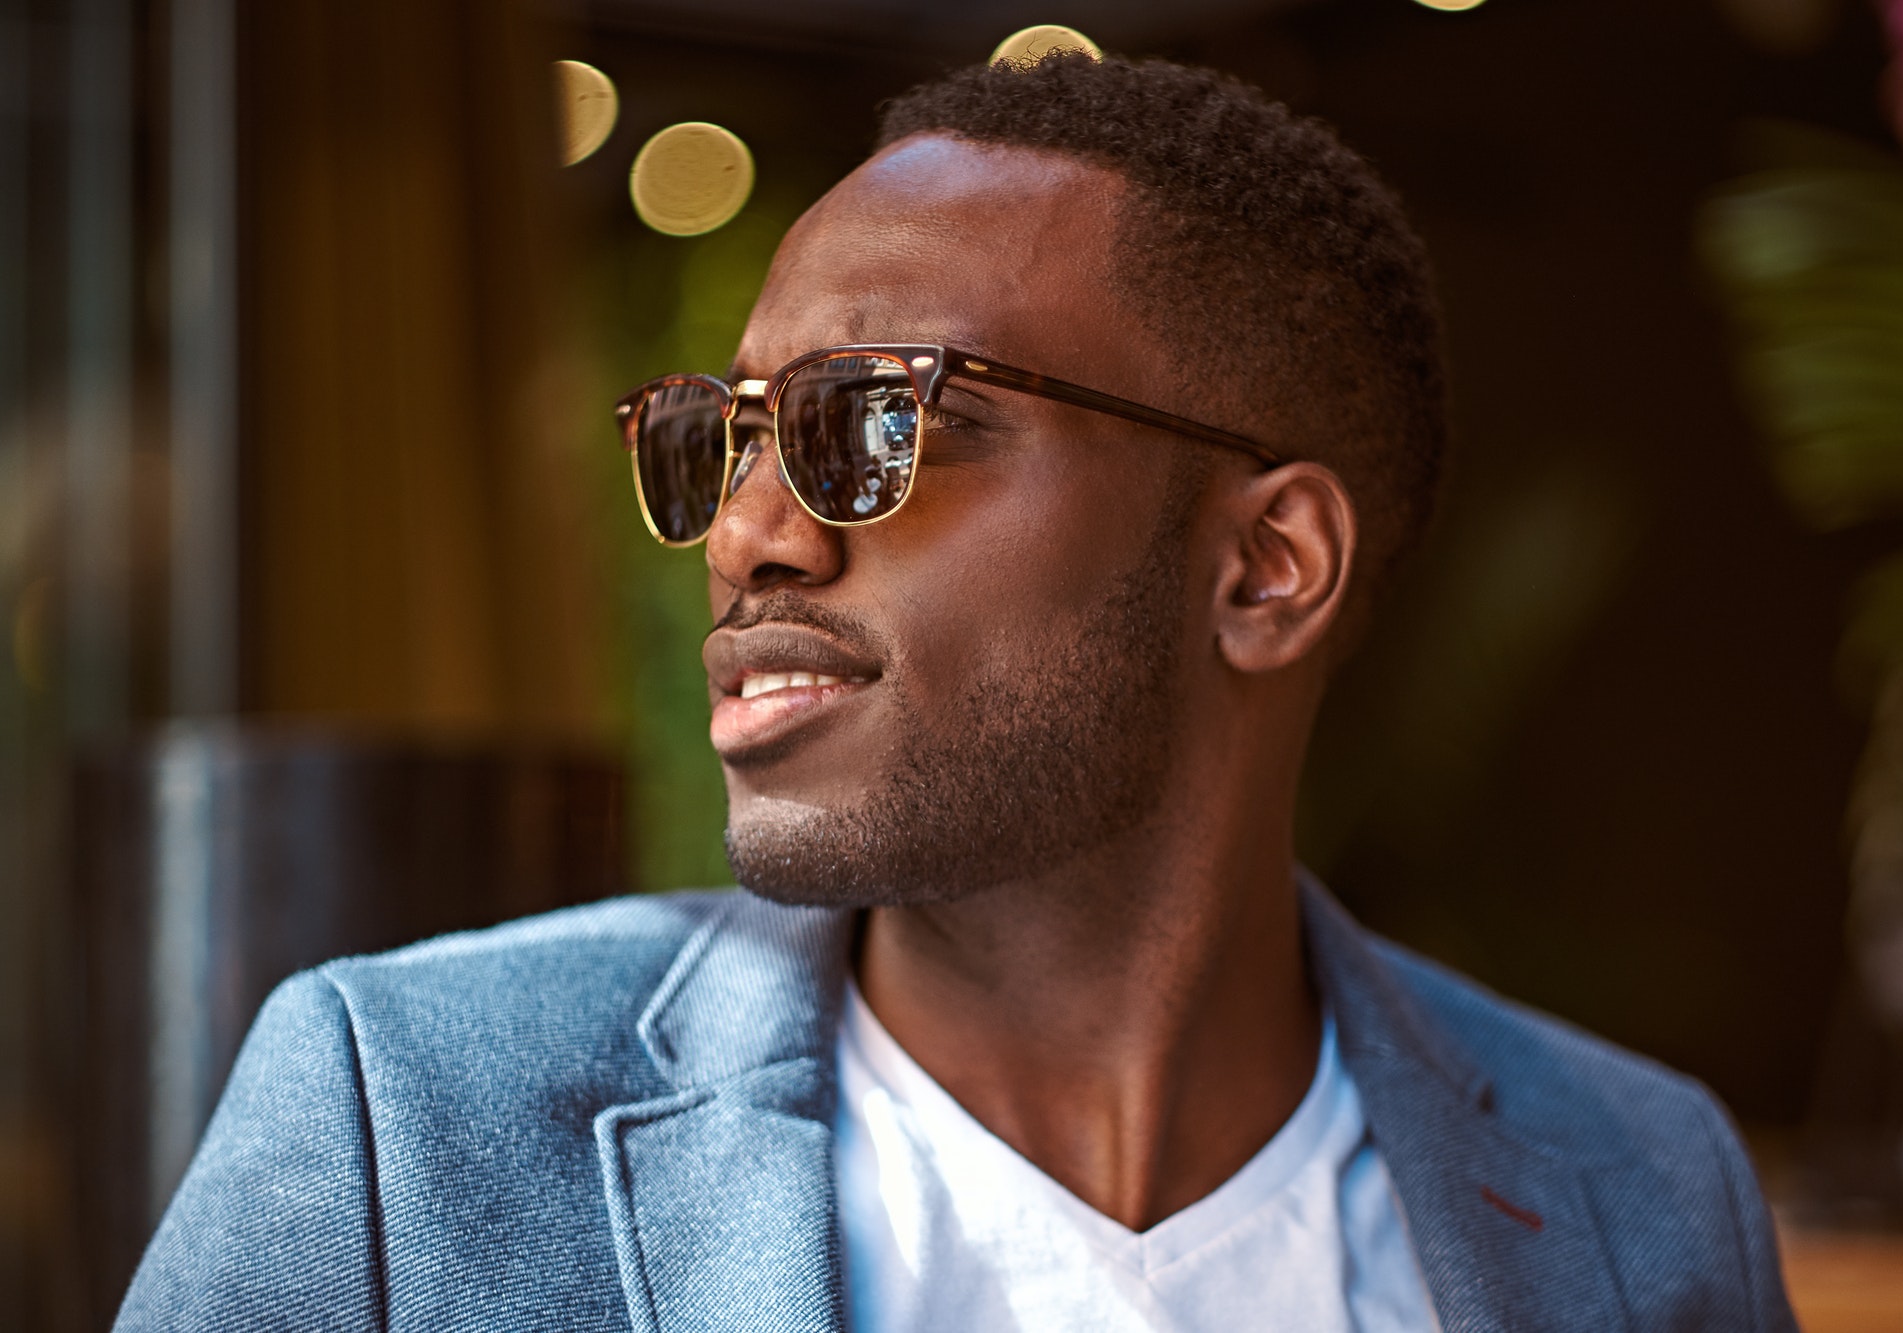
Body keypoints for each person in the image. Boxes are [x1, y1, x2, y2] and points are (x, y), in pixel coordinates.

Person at [117, 53, 1798, 1332]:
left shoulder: (1641, 1195)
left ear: (1266, 565)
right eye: (728, 440)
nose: (747, 538)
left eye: (877, 422)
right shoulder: (406, 1126)